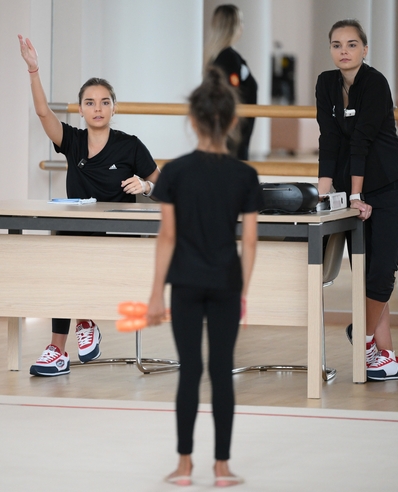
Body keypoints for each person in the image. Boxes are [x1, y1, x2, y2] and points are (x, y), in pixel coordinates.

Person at [18, 35, 160, 376]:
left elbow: (163, 183)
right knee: (62, 266)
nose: (97, 108)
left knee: (71, 267)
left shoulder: (130, 146)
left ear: (114, 107)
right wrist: (34, 70)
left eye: (105, 102)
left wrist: (145, 185)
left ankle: (83, 321)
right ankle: (60, 346)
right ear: (80, 109)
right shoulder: (73, 141)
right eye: (90, 102)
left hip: (117, 237)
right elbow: (41, 112)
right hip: (77, 231)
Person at [146, 67, 259, 487]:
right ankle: (223, 467)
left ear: (191, 121)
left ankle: (184, 464)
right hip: (227, 283)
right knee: (222, 369)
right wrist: (242, 290)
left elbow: (167, 236)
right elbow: (249, 243)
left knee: (190, 370)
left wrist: (156, 294)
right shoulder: (245, 176)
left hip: (186, 284)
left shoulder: (173, 172)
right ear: (233, 121)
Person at [316, 19, 398, 381]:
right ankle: (381, 356)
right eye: (337, 44)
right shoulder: (326, 83)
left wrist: (356, 194)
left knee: (382, 271)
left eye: (352, 44)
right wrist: (324, 193)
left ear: (365, 50)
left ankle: (363, 334)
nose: (344, 51)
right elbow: (330, 139)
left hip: (388, 184)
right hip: (353, 188)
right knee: (366, 273)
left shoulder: (375, 83)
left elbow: (362, 141)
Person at [204, 4, 258, 160]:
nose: (243, 26)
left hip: (230, 129)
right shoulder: (229, 58)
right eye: (240, 21)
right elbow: (230, 94)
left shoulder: (219, 57)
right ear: (233, 26)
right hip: (233, 131)